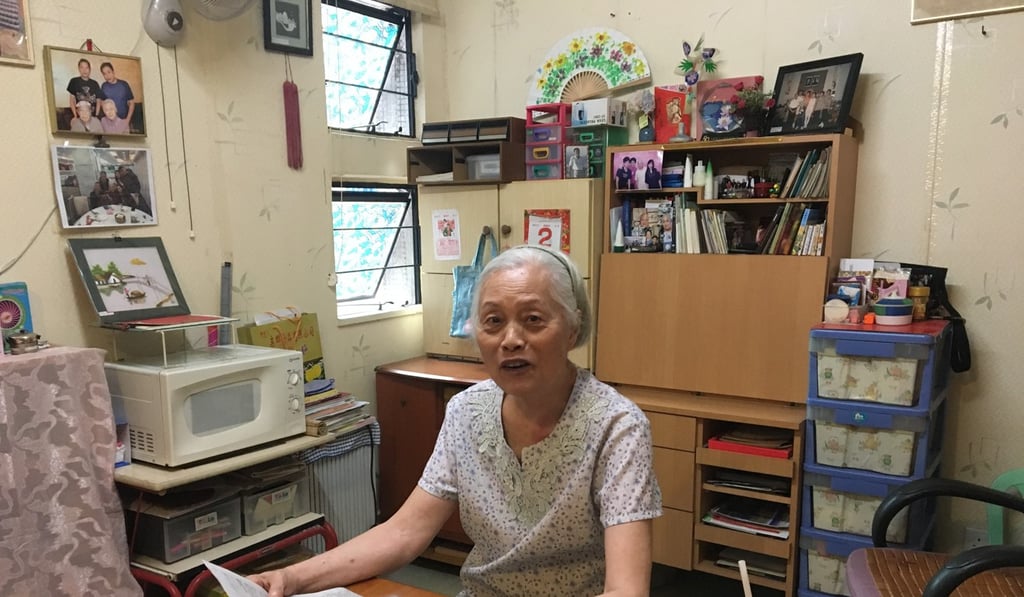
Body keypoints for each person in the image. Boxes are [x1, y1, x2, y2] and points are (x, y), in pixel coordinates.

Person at [250, 246, 662, 596]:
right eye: (493, 321)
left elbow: (626, 590)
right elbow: (404, 533)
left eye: (533, 319)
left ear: (572, 329)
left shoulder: (617, 426)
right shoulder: (466, 412)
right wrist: (290, 577)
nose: (511, 339)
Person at [99, 61, 136, 126]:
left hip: (124, 119)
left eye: (109, 72)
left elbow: (131, 103)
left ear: (113, 71)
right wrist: (107, 115)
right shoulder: (104, 86)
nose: (107, 76)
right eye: (104, 74)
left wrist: (128, 119)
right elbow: (102, 102)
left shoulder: (124, 84)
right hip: (110, 121)